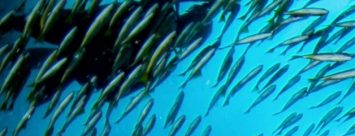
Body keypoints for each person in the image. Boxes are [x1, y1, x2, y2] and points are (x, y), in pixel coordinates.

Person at [0, 1, 215, 105]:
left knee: (36, 44)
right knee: (35, 33)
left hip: (89, 47)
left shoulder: (161, 58)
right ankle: (19, 51)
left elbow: (122, 88)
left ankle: (18, 54)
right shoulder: (164, 17)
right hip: (90, 37)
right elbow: (122, 89)